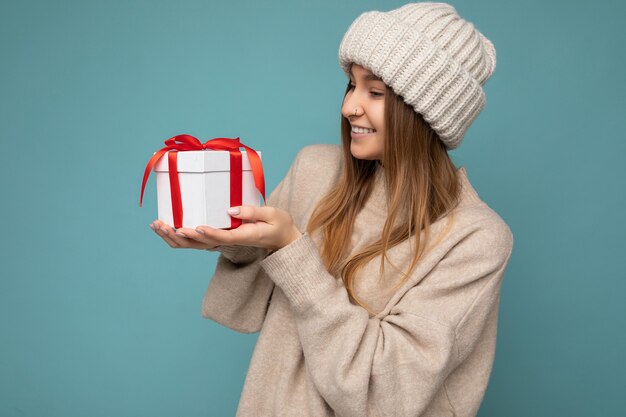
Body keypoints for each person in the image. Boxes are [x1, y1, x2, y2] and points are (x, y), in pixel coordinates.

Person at [150, 2, 513, 416]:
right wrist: (230, 240)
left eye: (375, 92)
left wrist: (292, 248)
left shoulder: (476, 239)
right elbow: (253, 299)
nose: (349, 107)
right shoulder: (316, 170)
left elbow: (383, 395)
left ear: (426, 113)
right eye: (351, 85)